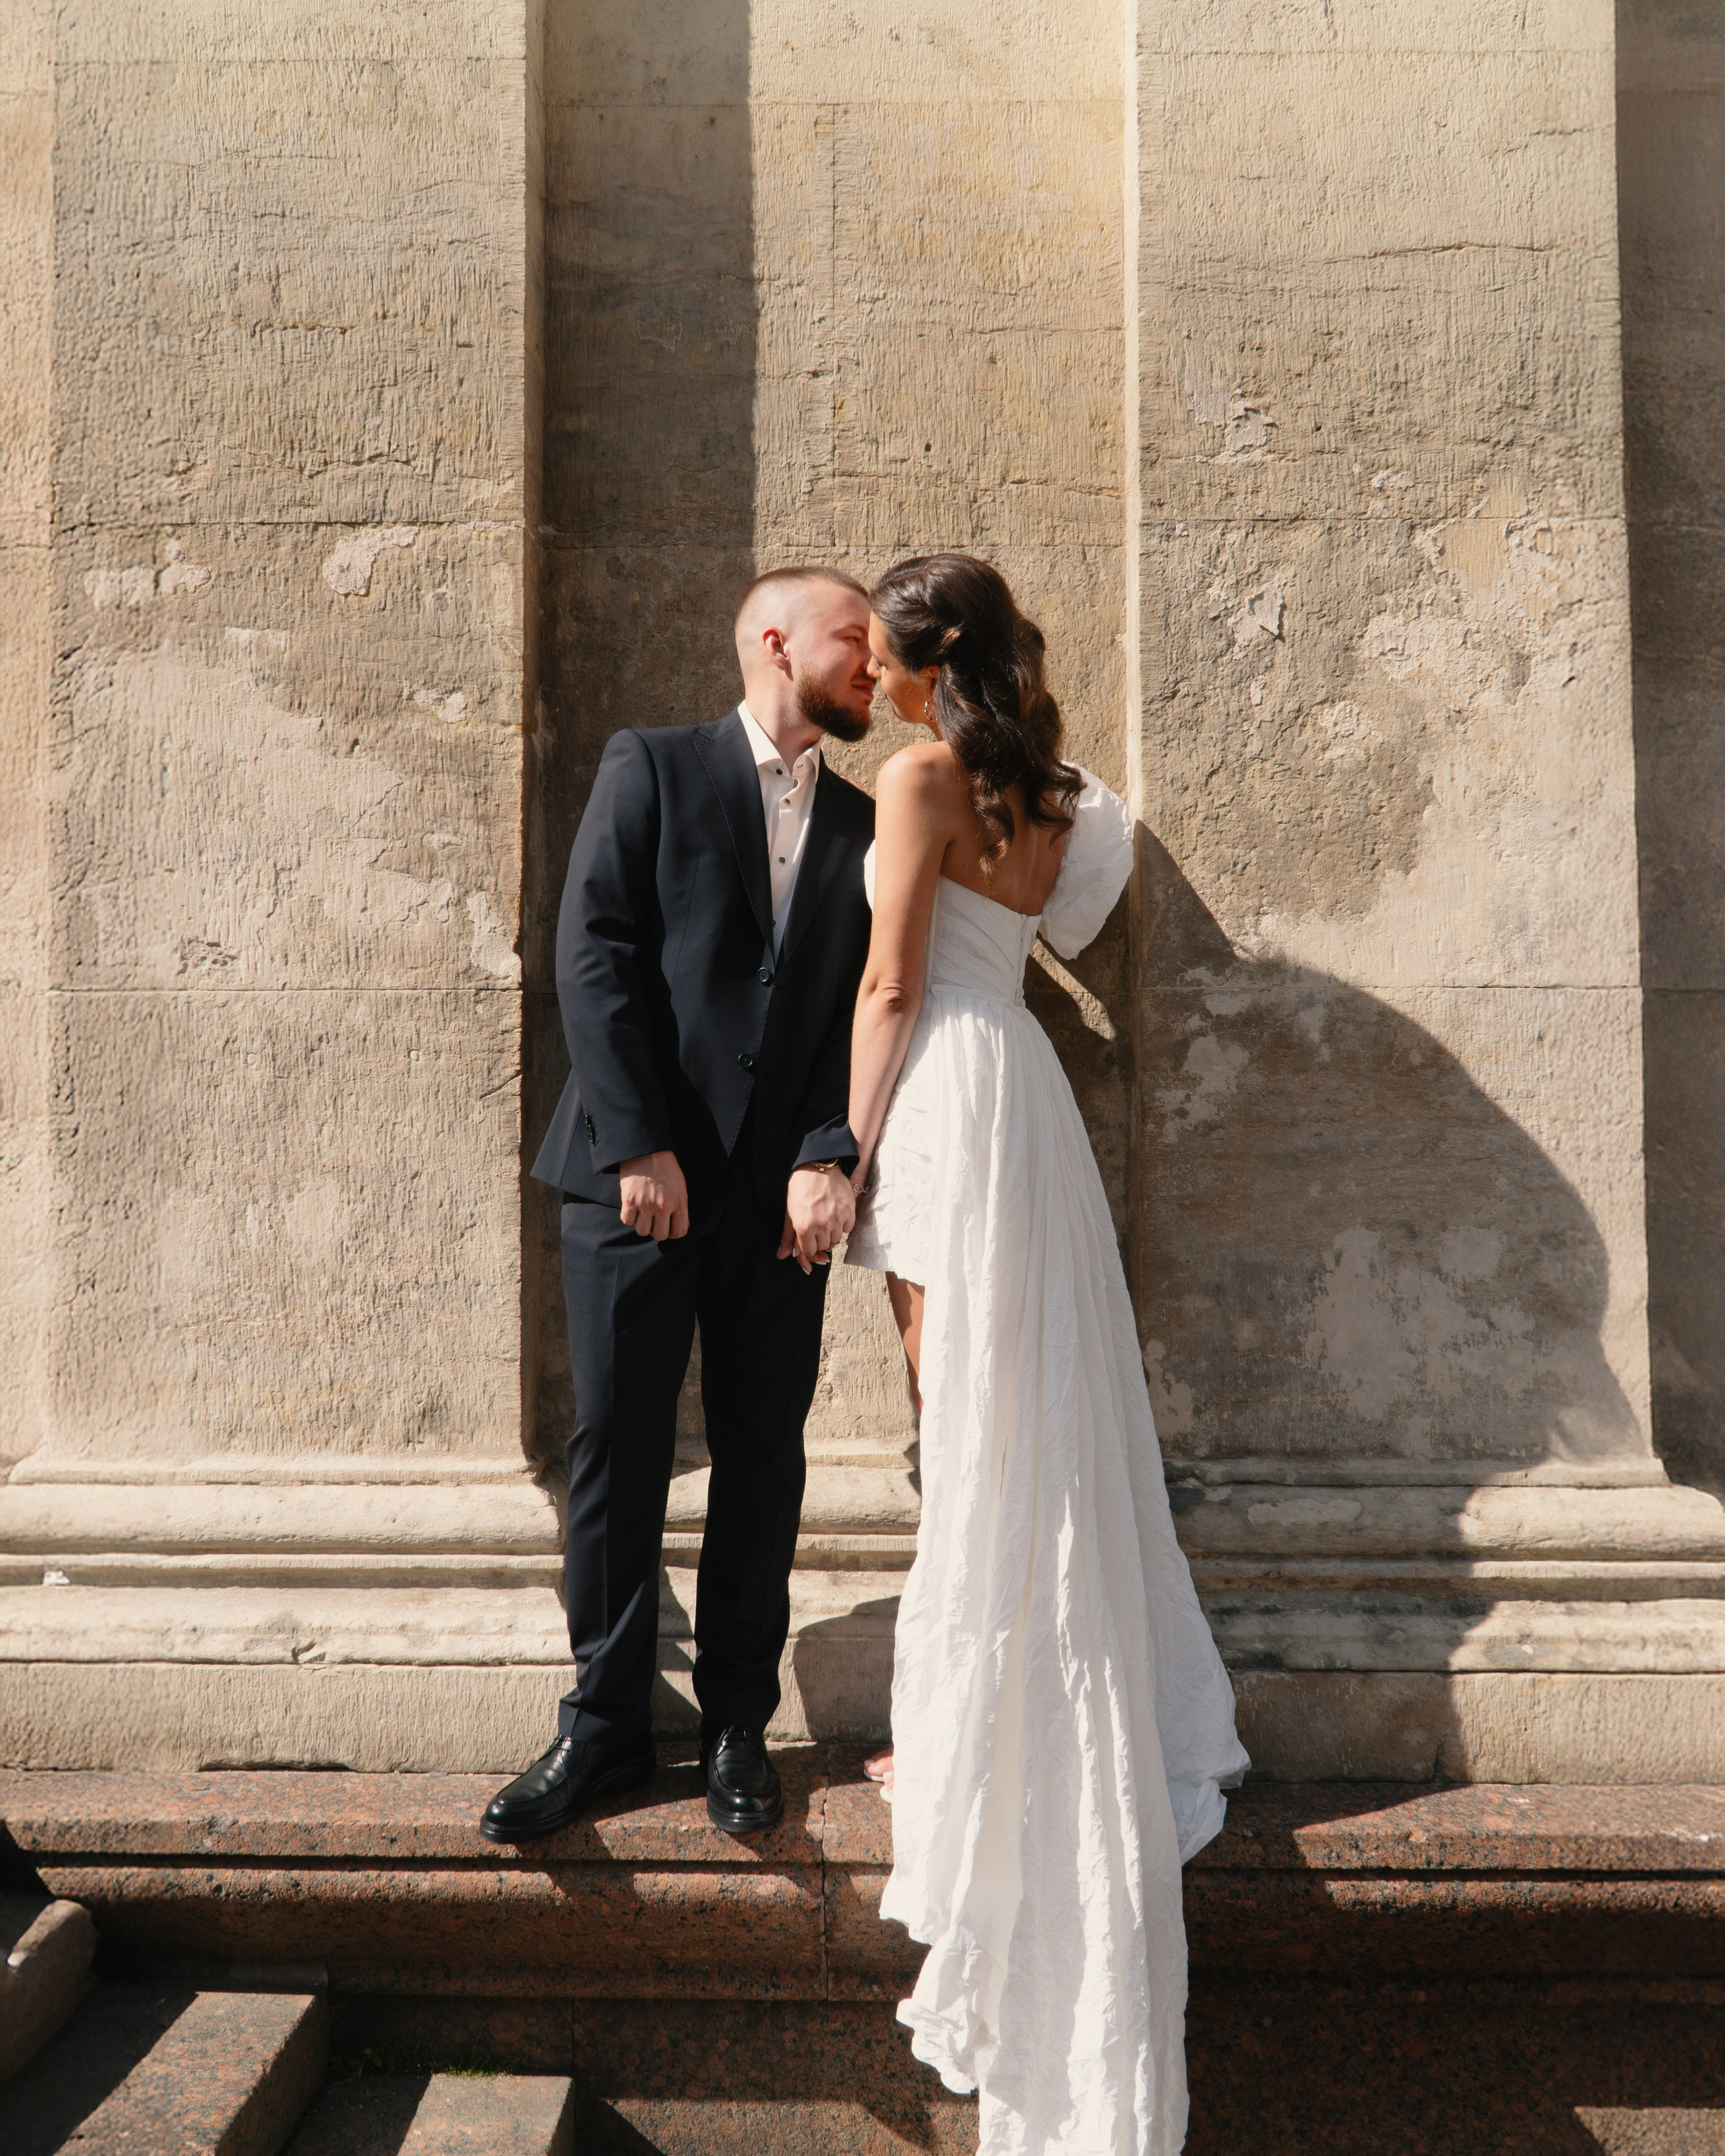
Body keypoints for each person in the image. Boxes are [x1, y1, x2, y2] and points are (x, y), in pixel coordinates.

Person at [845, 554, 1249, 2153]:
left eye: (881, 650)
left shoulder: (919, 772)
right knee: (1028, 1413)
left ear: (921, 657)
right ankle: (973, 1699)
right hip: (1022, 1080)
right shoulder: (1067, 797)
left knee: (958, 1407)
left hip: (944, 1088)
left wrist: (840, 1138)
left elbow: (886, 975)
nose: (869, 673)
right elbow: (1073, 921)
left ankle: (961, 1726)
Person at [482, 567, 877, 1843]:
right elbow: (589, 950)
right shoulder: (649, 765)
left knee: (766, 1457)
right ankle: (598, 1728)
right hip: (631, 1184)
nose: (873, 663)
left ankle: (733, 1729)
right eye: (851, 640)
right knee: (618, 1451)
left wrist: (828, 1155)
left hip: (779, 1209)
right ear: (775, 640)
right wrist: (639, 1144)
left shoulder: (869, 825)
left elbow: (859, 1015)